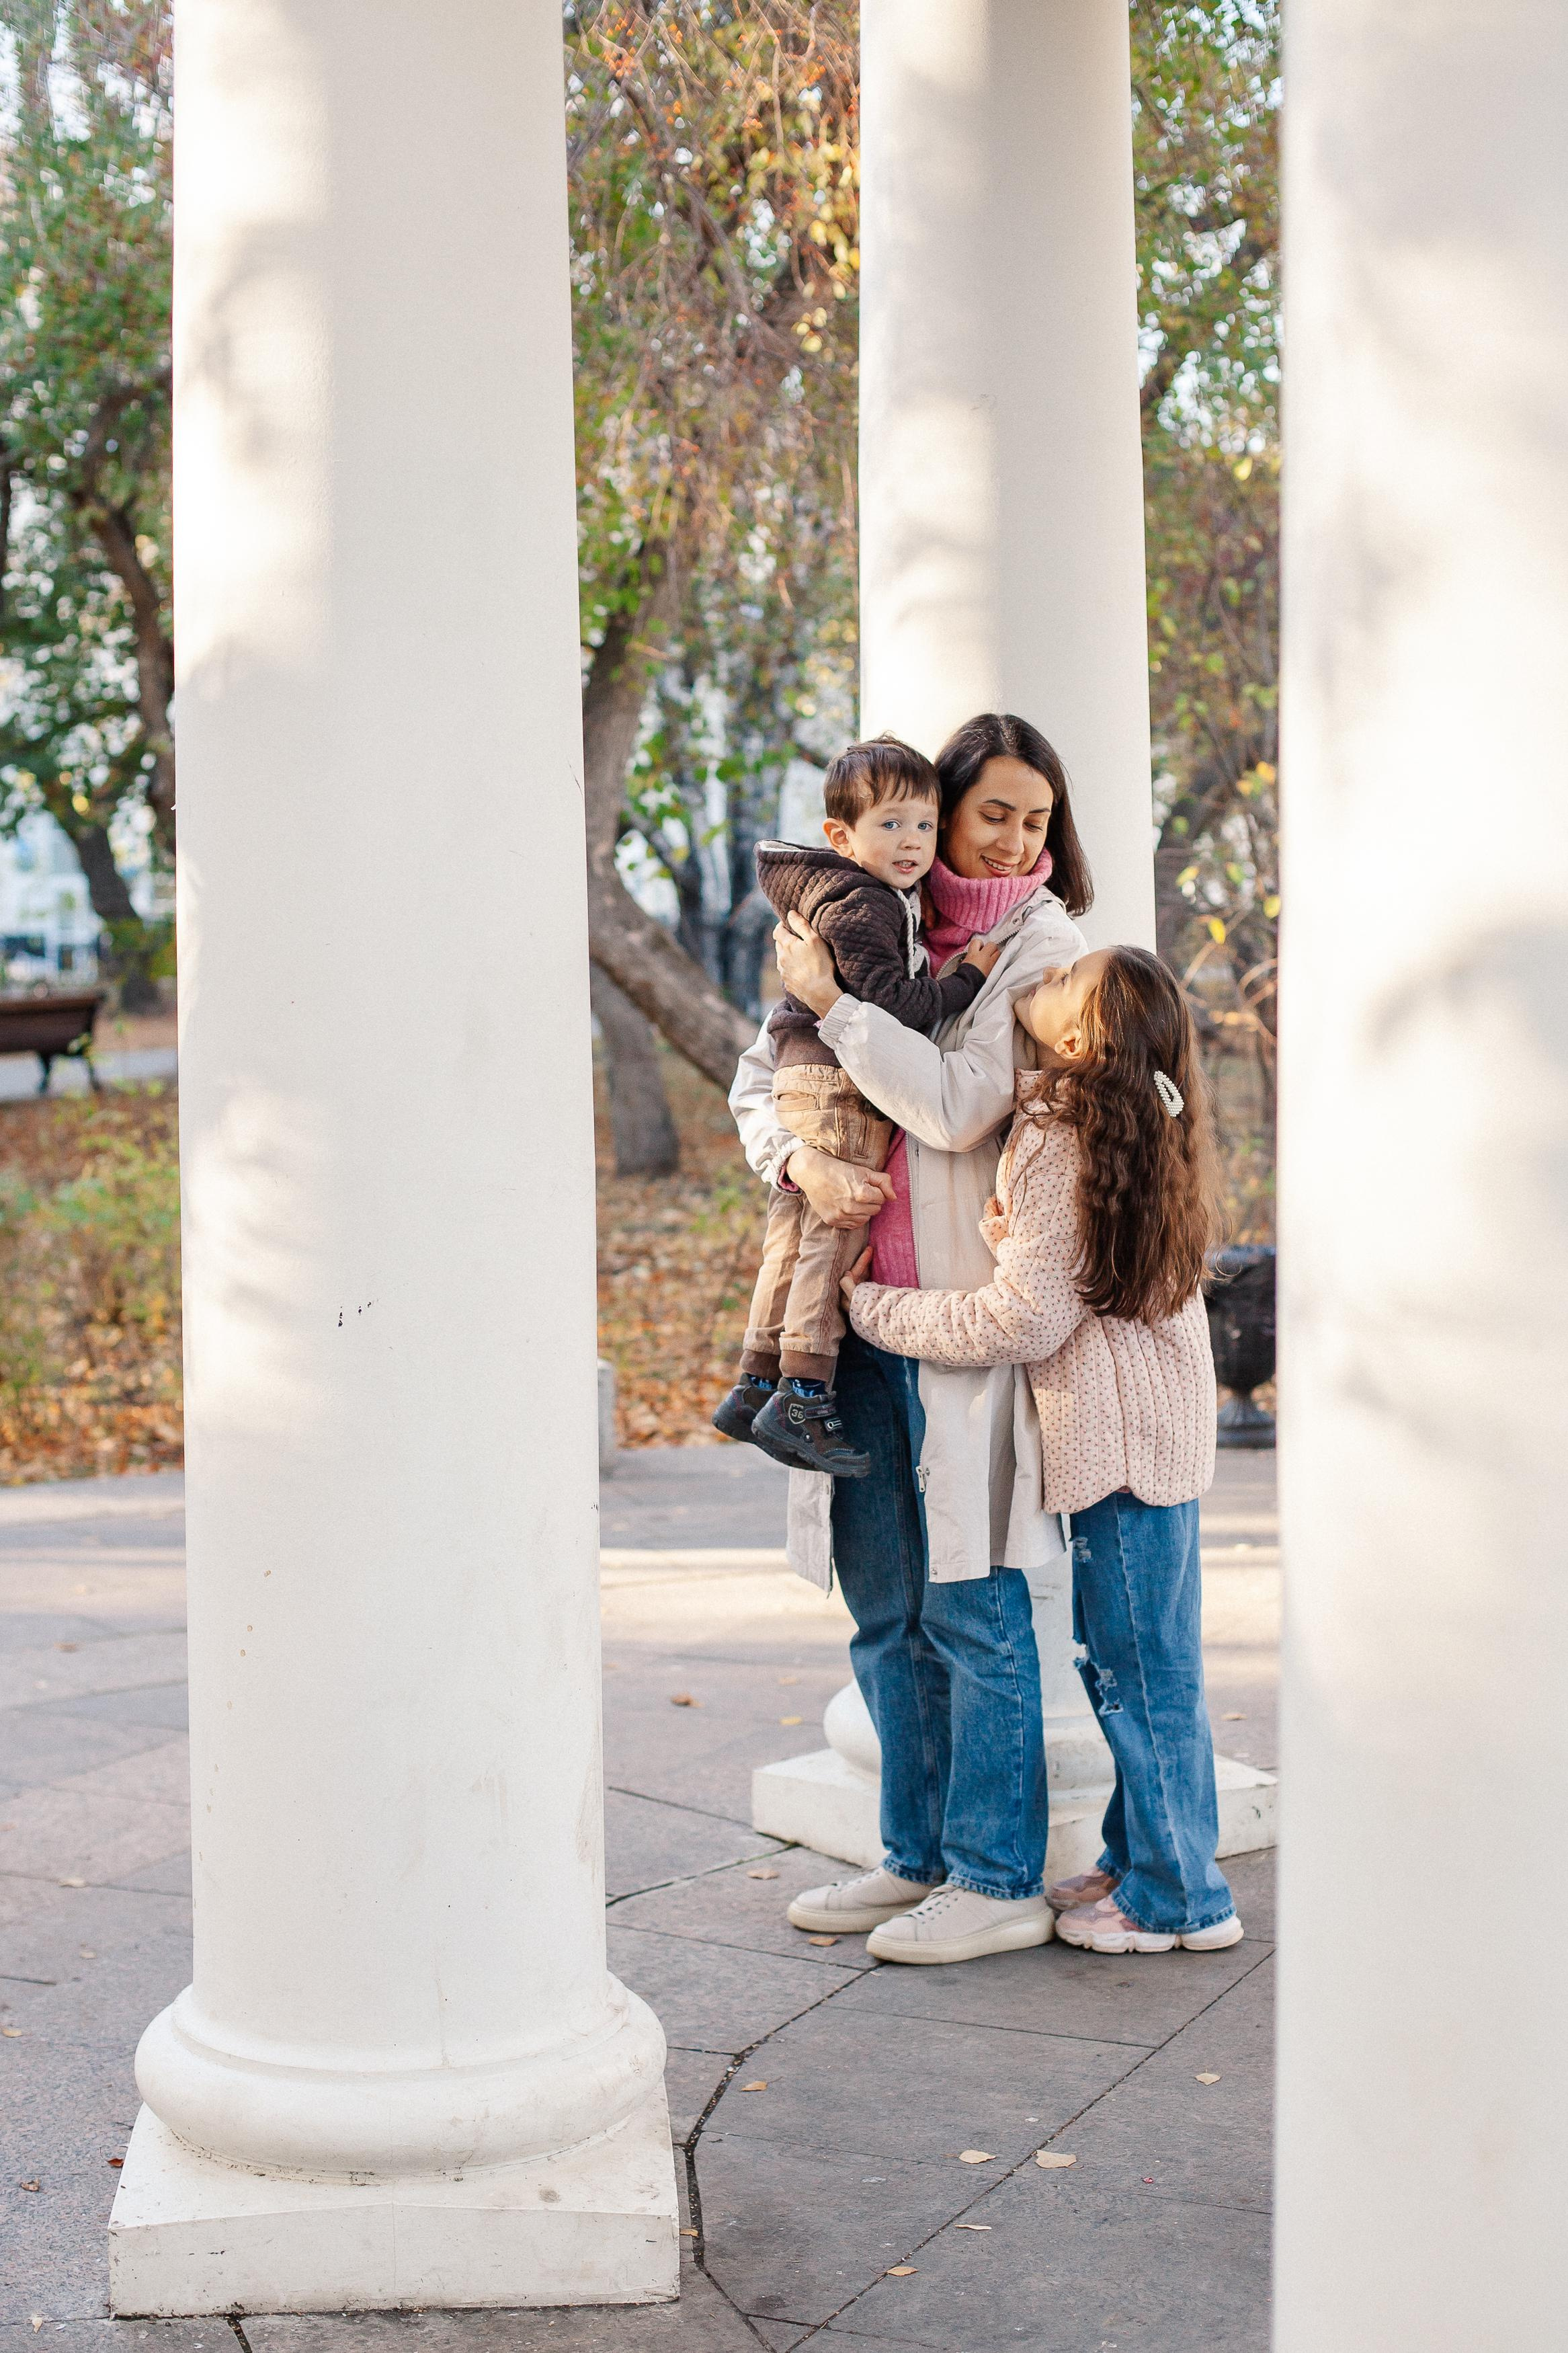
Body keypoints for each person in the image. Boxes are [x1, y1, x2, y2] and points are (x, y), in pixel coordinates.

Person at [731, 712, 1092, 1966]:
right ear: (934, 811)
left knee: (973, 1608)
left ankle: (997, 1877)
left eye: (1033, 818)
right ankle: (914, 1856)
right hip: (849, 1331)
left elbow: (950, 1108)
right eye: (988, 811)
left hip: (949, 1316)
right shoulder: (860, 915)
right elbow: (752, 1078)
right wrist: (795, 1159)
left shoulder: (1037, 953)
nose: (1008, 837)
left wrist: (835, 1017)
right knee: (881, 1611)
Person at [843, 945, 1241, 1956]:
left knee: (1138, 1675)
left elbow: (1023, 1322)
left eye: (1067, 981)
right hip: (1157, 1434)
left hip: (1117, 1445)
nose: (1046, 974)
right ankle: (1143, 1855)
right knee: (1148, 1663)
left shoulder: (1064, 1133)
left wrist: (878, 1310)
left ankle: (1178, 1901)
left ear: (1079, 1038)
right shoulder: (1136, 1115)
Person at [713, 735, 999, 1476]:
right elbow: (896, 1005)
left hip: (803, 1076)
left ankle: (756, 1379)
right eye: (891, 825)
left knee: (797, 1229)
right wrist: (963, 979)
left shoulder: (848, 897)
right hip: (838, 1084)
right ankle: (802, 1391)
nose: (911, 843)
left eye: (924, 826)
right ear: (840, 836)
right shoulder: (862, 904)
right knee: (831, 1238)